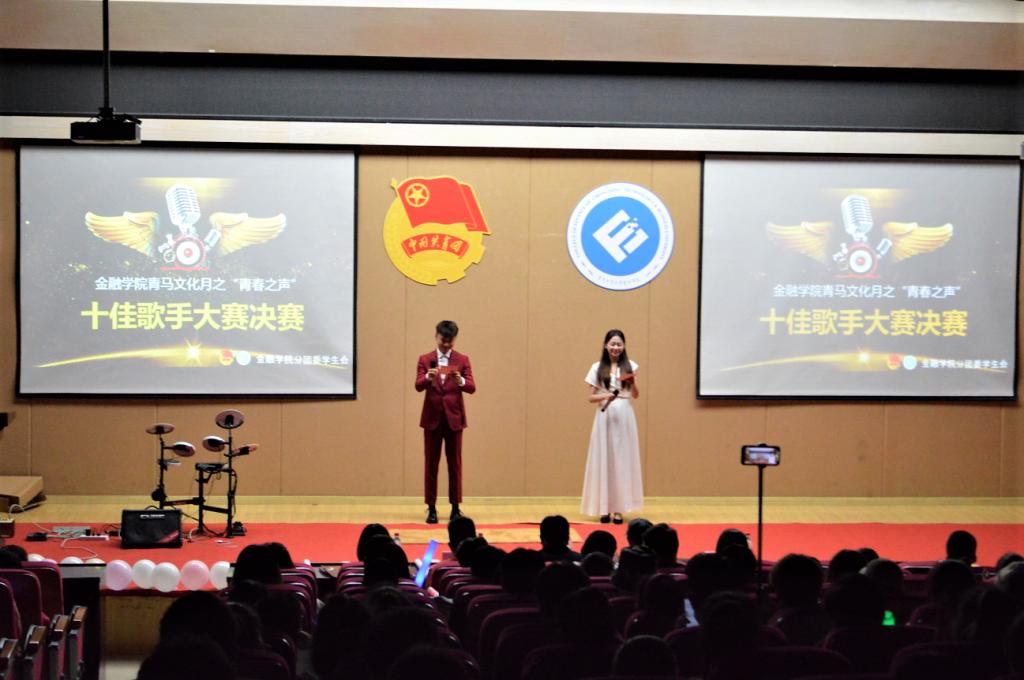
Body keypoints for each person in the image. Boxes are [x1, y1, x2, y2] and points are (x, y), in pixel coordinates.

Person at [416, 320, 476, 524]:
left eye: (450, 341)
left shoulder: (462, 359)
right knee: (431, 465)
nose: (446, 345)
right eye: (443, 341)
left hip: (454, 419)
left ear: (455, 340)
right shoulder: (425, 359)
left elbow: (471, 387)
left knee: (455, 465)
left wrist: (460, 380)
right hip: (432, 419)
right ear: (436, 337)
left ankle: (455, 508)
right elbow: (417, 385)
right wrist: (427, 376)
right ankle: (431, 508)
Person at [580, 329, 642, 524]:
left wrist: (632, 383)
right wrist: (607, 395)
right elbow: (590, 397)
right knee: (604, 460)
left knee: (622, 461)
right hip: (604, 415)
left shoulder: (630, 366)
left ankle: (619, 509)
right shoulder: (597, 367)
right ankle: (604, 508)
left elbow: (635, 395)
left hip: (624, 416)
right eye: (612, 344)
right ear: (605, 345)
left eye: (619, 344)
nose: (616, 347)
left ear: (624, 346)